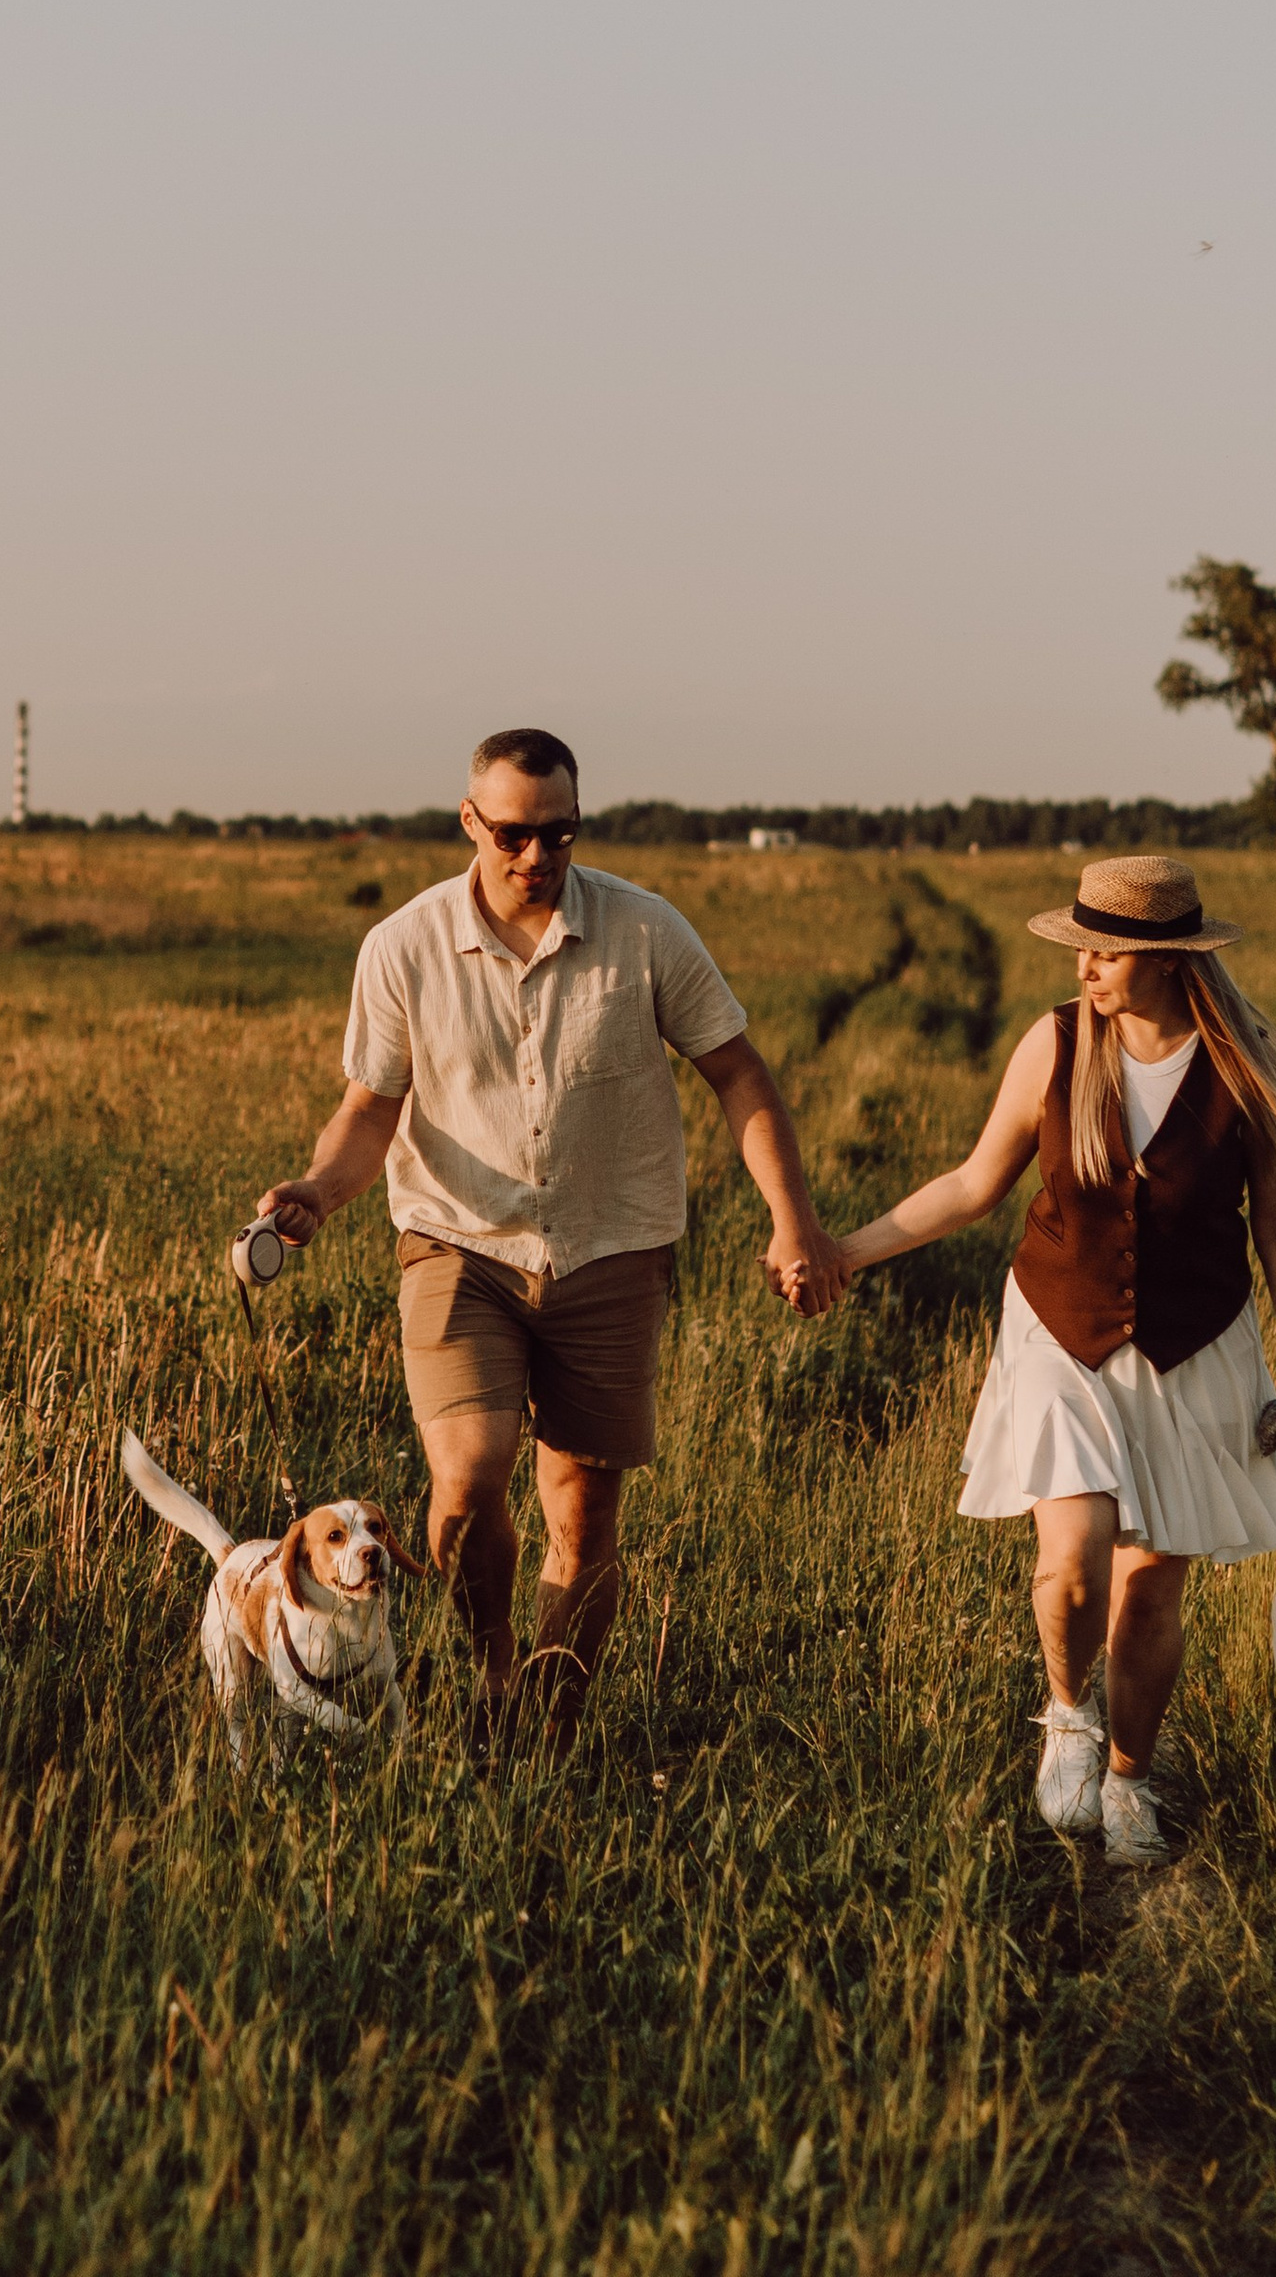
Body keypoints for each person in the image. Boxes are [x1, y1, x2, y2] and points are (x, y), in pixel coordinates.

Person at [256, 727, 849, 1739]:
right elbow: (369, 1107)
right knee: (468, 1476)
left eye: (561, 835)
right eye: (515, 835)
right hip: (457, 1245)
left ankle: (549, 1725)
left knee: (581, 1512)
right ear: (470, 823)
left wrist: (793, 1222)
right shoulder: (403, 946)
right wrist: (317, 1188)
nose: (538, 858)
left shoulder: (647, 931)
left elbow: (739, 1075)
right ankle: (489, 1681)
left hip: (612, 1249)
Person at [823, 853, 1276, 1865]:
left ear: (1167, 960)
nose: (1085, 968)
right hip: (1059, 1329)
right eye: (1083, 947)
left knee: (1149, 1591)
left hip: (1196, 1346)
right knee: (1070, 1564)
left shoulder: (1242, 1060)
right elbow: (974, 1185)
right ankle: (1066, 1716)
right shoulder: (1056, 1043)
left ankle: (1131, 1781)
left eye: (1104, 952)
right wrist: (845, 1252)